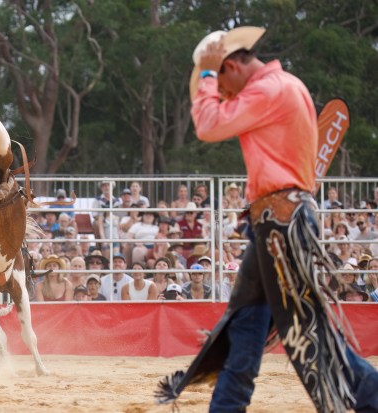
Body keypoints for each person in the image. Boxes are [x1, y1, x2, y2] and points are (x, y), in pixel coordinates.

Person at [157, 26, 378, 411]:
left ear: (230, 66)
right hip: (278, 223)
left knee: (306, 335)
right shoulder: (286, 86)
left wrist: (205, 74)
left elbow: (208, 124)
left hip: (280, 225)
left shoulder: (268, 89)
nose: (224, 94)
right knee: (249, 328)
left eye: (221, 83)